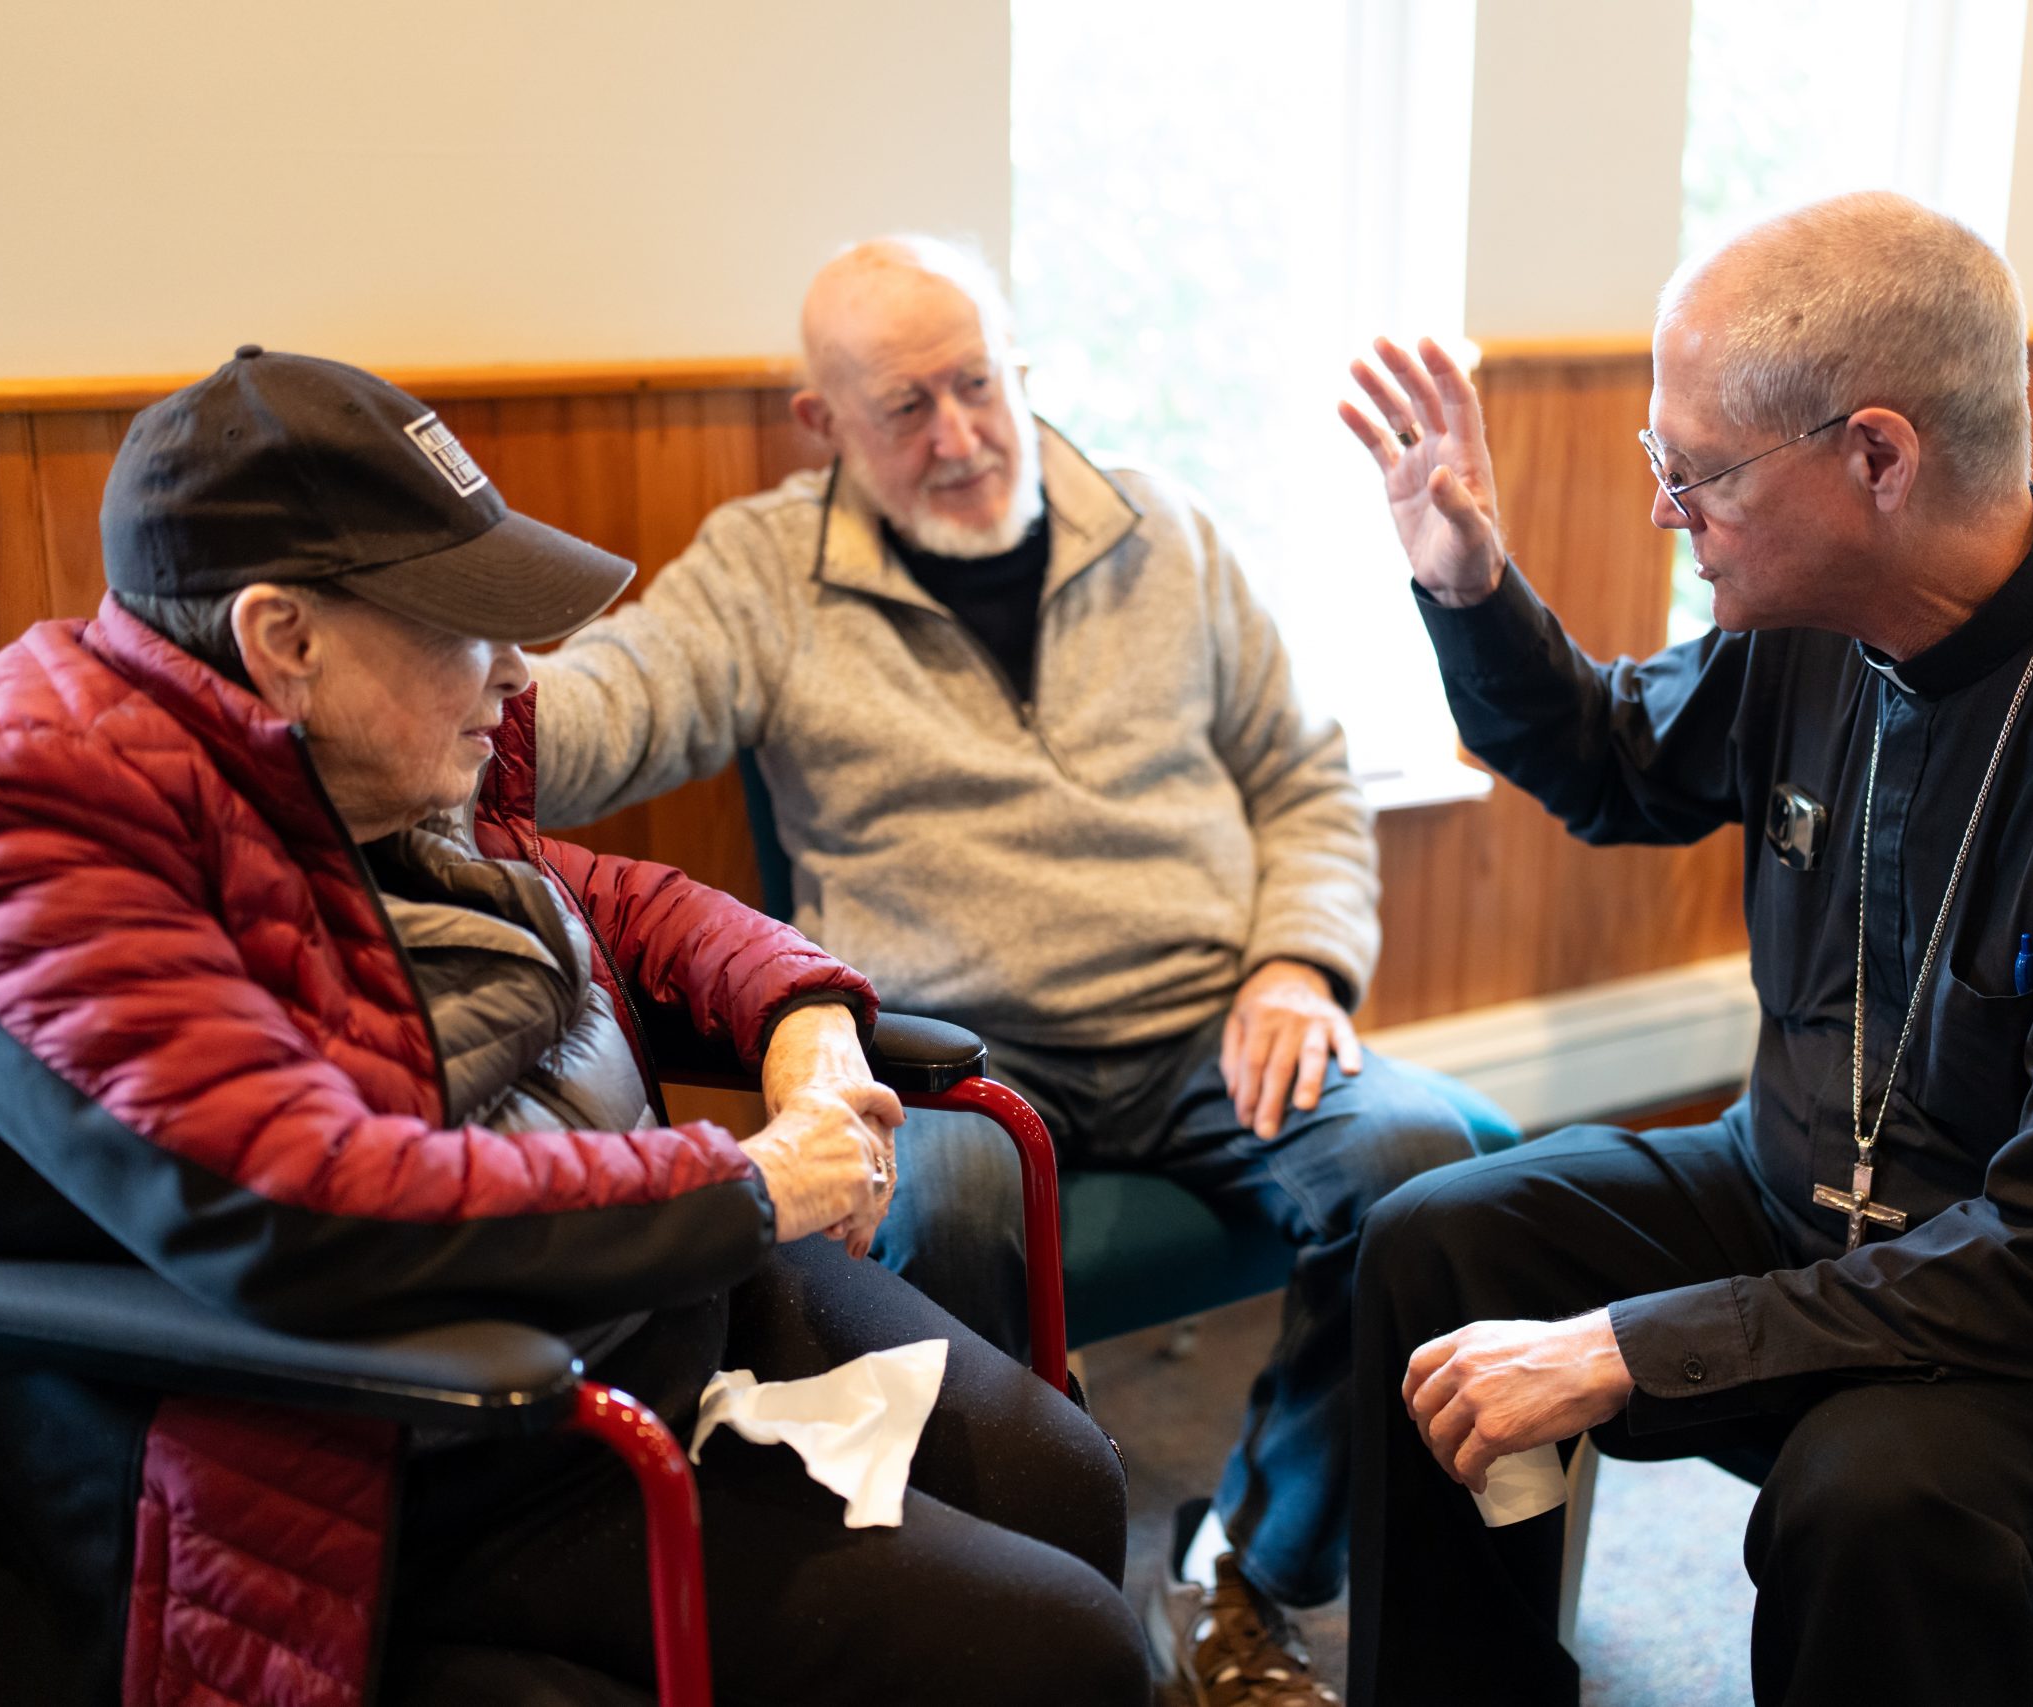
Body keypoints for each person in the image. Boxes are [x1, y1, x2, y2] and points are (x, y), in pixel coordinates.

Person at [0, 348, 1151, 1707]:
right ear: (283, 640)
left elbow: (604, 902)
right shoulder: (22, 827)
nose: (515, 672)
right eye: (465, 626)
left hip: (614, 1305)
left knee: (1058, 1475)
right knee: (1049, 1652)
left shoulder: (338, 751)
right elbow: (303, 1212)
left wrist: (805, 1017)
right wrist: (749, 1184)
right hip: (375, 1446)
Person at [1337, 192, 2033, 1707]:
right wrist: (1467, 586)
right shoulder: (1810, 618)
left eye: (1696, 474)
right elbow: (1615, 761)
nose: (1667, 512)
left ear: (1877, 456)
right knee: (1438, 1245)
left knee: (1872, 1495)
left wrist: (1635, 1344)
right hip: (1803, 1198)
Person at [529, 236, 1476, 1704]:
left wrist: (1297, 964)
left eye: (978, 385)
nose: (960, 437)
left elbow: (1303, 777)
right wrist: (456, 687)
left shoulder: (1166, 530)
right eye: (905, 407)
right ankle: (1029, 1617)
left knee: (1422, 1160)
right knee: (939, 1198)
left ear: (1023, 372)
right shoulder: (767, 570)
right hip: (953, 1048)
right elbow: (604, 712)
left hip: (1210, 1023)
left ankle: (1253, 1566)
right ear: (822, 423)